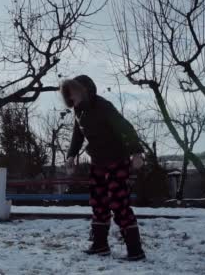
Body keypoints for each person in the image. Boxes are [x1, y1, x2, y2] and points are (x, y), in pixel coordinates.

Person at [61, 75, 146, 261]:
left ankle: (135, 250)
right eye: (68, 94)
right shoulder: (78, 112)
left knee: (118, 202)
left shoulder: (102, 106)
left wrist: (137, 153)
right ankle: (100, 245)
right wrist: (71, 155)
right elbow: (78, 135)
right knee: (98, 202)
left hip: (117, 159)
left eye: (73, 92)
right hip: (98, 162)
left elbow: (126, 127)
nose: (71, 96)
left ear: (84, 90)